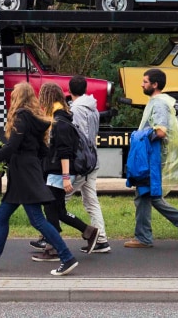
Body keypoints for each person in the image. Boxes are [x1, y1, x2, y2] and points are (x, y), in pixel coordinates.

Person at [0, 83, 78, 276]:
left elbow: (11, 147)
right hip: (25, 174)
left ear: (17, 97)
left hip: (23, 176)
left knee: (37, 220)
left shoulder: (21, 118)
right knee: (2, 216)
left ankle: (67, 256)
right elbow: (43, 151)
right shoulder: (36, 119)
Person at [124, 68, 178, 249]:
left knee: (144, 194)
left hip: (151, 156)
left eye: (145, 81)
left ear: (155, 85)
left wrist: (141, 139)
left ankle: (144, 237)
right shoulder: (155, 102)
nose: (142, 84)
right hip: (149, 155)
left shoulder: (159, 103)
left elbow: (161, 131)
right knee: (148, 195)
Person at [31, 82, 99, 262]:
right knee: (58, 210)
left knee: (52, 210)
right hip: (56, 172)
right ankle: (88, 231)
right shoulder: (62, 117)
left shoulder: (60, 122)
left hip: (58, 174)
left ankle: (53, 249)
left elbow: (64, 152)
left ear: (47, 98)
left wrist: (66, 177)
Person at [67, 75, 110, 253]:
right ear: (85, 89)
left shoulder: (76, 109)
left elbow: (78, 136)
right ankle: (101, 239)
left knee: (58, 199)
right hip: (93, 158)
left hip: (82, 162)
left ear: (69, 91)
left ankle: (48, 237)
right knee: (91, 200)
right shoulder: (92, 107)